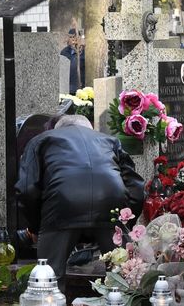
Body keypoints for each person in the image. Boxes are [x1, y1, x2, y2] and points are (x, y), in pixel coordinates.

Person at [15, 115, 145, 278]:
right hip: (111, 204)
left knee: (49, 279)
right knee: (124, 275)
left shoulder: (40, 141)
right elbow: (136, 188)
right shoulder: (110, 141)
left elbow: (26, 189)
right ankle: (123, 302)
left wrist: (36, 227)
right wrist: (125, 223)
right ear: (90, 129)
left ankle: (51, 302)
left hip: (61, 206)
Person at [61, 29, 85, 93]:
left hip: (81, 85)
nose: (72, 39)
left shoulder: (83, 51)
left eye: (74, 37)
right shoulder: (64, 52)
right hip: (69, 86)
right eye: (70, 37)